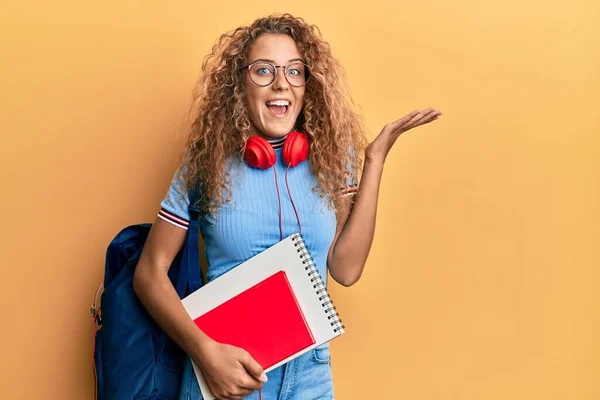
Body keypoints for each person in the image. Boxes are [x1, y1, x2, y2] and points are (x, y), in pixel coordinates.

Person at [132, 13, 441, 400]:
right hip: (225, 376)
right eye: (264, 70)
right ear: (239, 84)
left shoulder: (334, 160)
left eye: (295, 71)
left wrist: (374, 160)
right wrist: (205, 352)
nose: (282, 83)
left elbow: (345, 269)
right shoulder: (204, 165)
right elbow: (149, 273)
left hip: (310, 376)